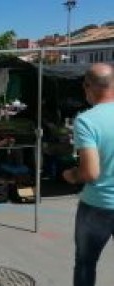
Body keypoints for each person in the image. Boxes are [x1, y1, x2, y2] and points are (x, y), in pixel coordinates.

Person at [63, 63, 114, 286]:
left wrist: (72, 175)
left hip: (97, 205)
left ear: (88, 87)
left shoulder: (86, 120)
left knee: (85, 263)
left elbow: (90, 172)